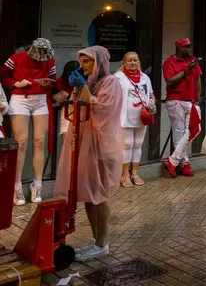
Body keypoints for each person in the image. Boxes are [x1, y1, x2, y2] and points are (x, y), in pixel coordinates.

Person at [54, 46, 122, 262]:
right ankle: (96, 240)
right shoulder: (89, 82)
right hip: (85, 142)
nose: (82, 66)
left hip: (101, 145)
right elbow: (76, 108)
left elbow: (102, 110)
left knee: (99, 195)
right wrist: (76, 89)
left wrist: (83, 88)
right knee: (88, 195)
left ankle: (102, 243)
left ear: (99, 62)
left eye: (87, 62)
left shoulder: (111, 82)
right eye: (81, 61)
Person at [1, 38, 56, 206]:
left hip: (40, 99)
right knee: (21, 142)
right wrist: (16, 83)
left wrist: (47, 84)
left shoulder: (49, 59)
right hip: (20, 98)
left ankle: (37, 184)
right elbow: (3, 75)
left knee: (39, 141)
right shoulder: (17, 58)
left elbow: (53, 79)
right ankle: (16, 186)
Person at [161, 38, 203, 178]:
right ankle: (185, 164)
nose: (190, 49)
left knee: (194, 129)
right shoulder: (169, 62)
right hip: (175, 100)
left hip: (191, 101)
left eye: (190, 46)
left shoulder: (192, 60)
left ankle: (172, 161)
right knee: (179, 132)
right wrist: (186, 69)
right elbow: (170, 81)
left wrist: (198, 98)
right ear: (179, 48)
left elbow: (198, 79)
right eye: (187, 47)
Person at [114, 52, 155, 187]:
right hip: (125, 116)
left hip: (142, 117)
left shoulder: (145, 78)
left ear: (139, 62)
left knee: (138, 144)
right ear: (124, 62)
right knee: (127, 144)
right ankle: (124, 174)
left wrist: (152, 103)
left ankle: (135, 173)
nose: (133, 63)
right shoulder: (118, 77)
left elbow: (151, 95)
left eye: (135, 60)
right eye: (129, 60)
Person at [53, 61, 80, 138]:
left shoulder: (85, 81)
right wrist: (55, 97)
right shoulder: (59, 82)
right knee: (66, 135)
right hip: (67, 109)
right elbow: (52, 98)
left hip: (82, 109)